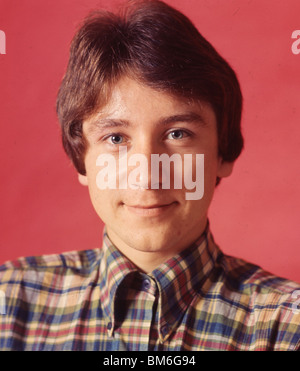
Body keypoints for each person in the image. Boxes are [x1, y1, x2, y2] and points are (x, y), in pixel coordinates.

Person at [0, 0, 299, 351]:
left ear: (223, 152)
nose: (146, 175)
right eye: (115, 138)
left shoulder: (286, 326)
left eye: (178, 134)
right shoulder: (10, 303)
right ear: (82, 160)